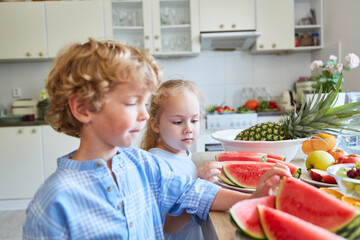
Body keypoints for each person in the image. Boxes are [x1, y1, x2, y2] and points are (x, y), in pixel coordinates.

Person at [23, 38, 291, 239]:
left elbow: (194, 193)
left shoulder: (141, 164)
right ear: (82, 108)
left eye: (144, 103)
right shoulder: (53, 203)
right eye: (131, 103)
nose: (143, 115)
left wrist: (255, 197)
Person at [140, 79, 223, 239]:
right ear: (155, 124)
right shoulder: (156, 163)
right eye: (178, 122)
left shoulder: (184, 154)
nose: (188, 129)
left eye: (194, 120)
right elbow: (168, 225)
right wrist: (200, 188)